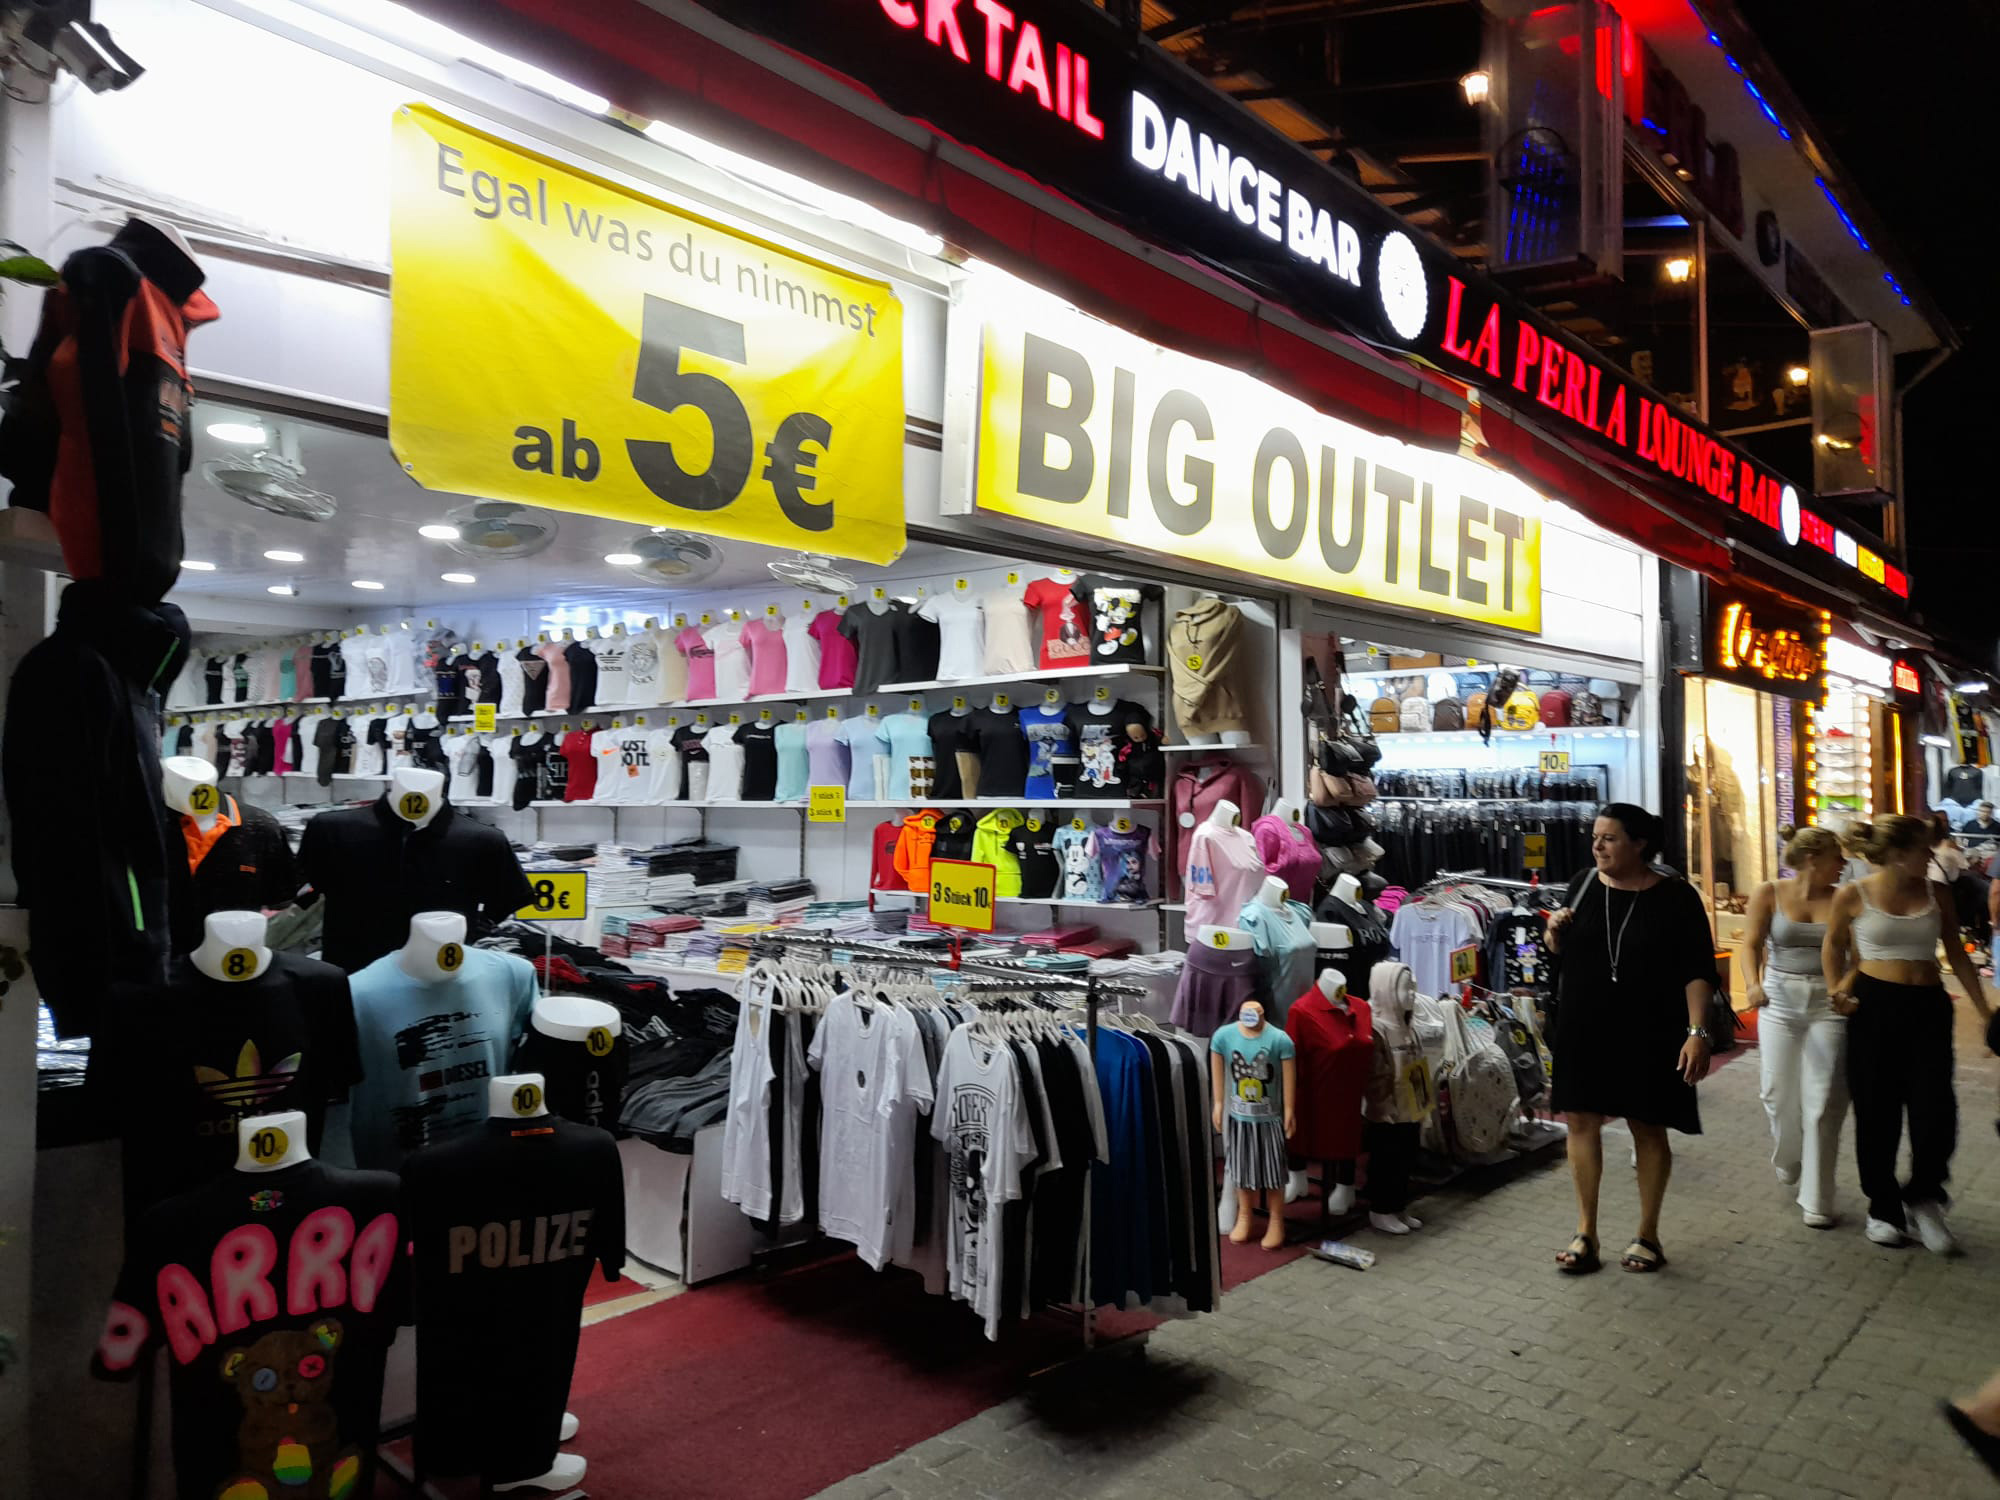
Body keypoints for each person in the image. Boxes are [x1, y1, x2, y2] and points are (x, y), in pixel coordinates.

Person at [1546, 804, 1720, 1275]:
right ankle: (1586, 1232)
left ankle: (1648, 1234)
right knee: (1581, 1120)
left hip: (1650, 1028)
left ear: (1639, 843)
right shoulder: (1583, 883)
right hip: (1584, 1025)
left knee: (1647, 1124)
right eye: (1595, 837)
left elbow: (1698, 970)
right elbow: (1562, 953)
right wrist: (1553, 936)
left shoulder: (1676, 897)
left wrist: (1697, 1033)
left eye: (1609, 838)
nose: (1597, 846)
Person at [1822, 815, 1994, 1253]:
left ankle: (1924, 1197)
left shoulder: (1938, 893)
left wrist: (1984, 1011)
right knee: (1876, 1109)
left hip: (1928, 1008)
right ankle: (1883, 1208)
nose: (1931, 856)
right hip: (1874, 1007)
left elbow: (1955, 952)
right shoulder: (1853, 894)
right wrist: (1836, 989)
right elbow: (1833, 944)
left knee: (1934, 1109)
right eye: (1923, 850)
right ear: (1898, 854)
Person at [1741, 827, 1849, 1228]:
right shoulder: (1769, 892)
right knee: (1776, 1090)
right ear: (1811, 859)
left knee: (1824, 1097)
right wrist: (1752, 984)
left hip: (1828, 1000)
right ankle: (1788, 1153)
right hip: (1779, 998)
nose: (1843, 864)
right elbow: (1751, 944)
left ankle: (1818, 1198)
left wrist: (1846, 988)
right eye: (1836, 856)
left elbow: (1857, 953)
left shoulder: (1844, 898)